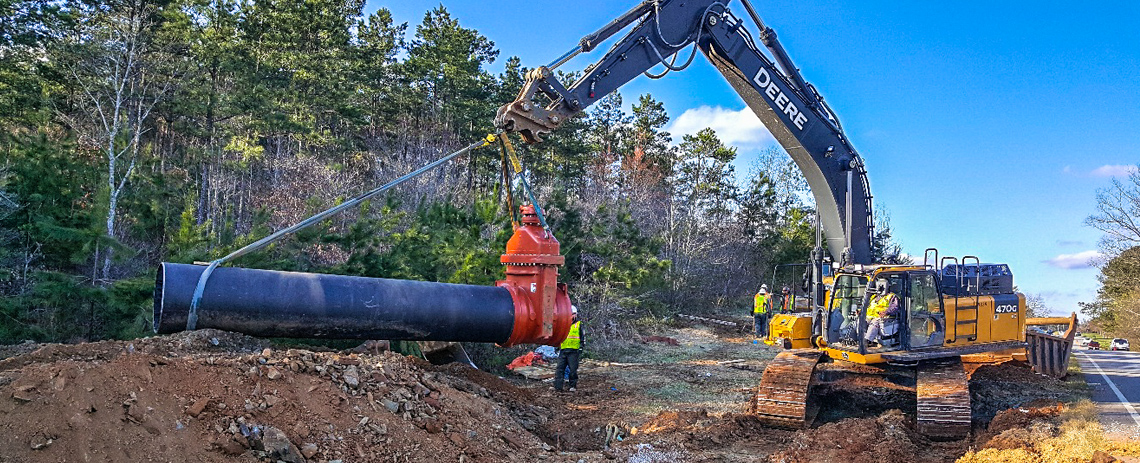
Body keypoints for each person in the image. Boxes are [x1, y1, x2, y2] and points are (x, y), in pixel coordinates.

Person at [554, 306, 582, 392]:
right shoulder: (563, 324)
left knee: (573, 370)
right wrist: (556, 346)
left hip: (573, 351)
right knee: (559, 369)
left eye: (573, 314)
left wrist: (581, 348)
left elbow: (582, 337)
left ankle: (572, 386)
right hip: (563, 350)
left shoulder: (578, 325)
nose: (571, 316)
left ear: (576, 315)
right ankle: (558, 387)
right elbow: (558, 336)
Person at [865, 279, 900, 346]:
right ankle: (857, 338)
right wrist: (861, 311)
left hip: (887, 318)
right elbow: (868, 306)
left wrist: (886, 312)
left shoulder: (892, 297)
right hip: (871, 316)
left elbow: (895, 307)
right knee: (860, 321)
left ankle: (867, 341)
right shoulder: (874, 296)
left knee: (875, 322)